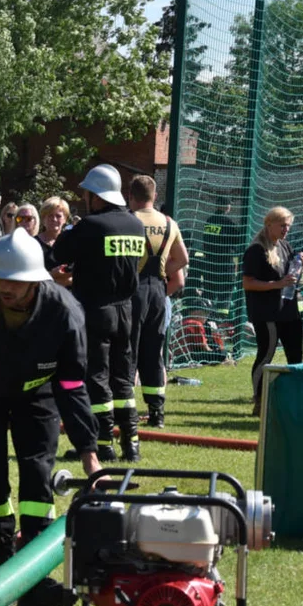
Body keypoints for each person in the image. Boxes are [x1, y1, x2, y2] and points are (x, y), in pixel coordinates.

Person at [0, 229, 101, 606]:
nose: (5, 288)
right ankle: (1, 556)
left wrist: (88, 452)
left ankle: (33, 572)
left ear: (35, 282)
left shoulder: (64, 312)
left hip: (39, 394)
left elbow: (73, 384)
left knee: (37, 473)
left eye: (15, 282)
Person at [53, 164, 144, 462]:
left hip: (96, 309)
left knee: (96, 375)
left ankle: (103, 443)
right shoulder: (134, 224)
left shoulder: (91, 226)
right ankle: (131, 442)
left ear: (97, 195)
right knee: (122, 376)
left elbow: (59, 252)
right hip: (127, 309)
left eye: (88, 193)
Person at [129, 176, 188, 428]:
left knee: (128, 351)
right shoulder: (168, 222)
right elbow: (182, 259)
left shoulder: (130, 220)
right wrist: (162, 273)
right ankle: (157, 413)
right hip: (158, 291)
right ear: (154, 196)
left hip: (133, 289)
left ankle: (127, 410)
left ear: (131, 196)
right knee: (154, 353)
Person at [243, 207, 303, 415]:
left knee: (296, 353)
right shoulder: (256, 249)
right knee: (266, 353)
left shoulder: (285, 245)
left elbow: (289, 274)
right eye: (282, 225)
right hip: (266, 313)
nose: (286, 229)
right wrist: (277, 284)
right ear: (269, 224)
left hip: (287, 311)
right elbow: (248, 283)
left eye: (288, 225)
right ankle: (259, 400)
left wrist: (300, 263)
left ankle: (297, 399)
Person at [38, 196, 71, 286]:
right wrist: (52, 275)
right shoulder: (34, 244)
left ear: (65, 219)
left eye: (58, 216)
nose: (54, 219)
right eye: (50, 215)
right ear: (43, 218)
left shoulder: (71, 241)